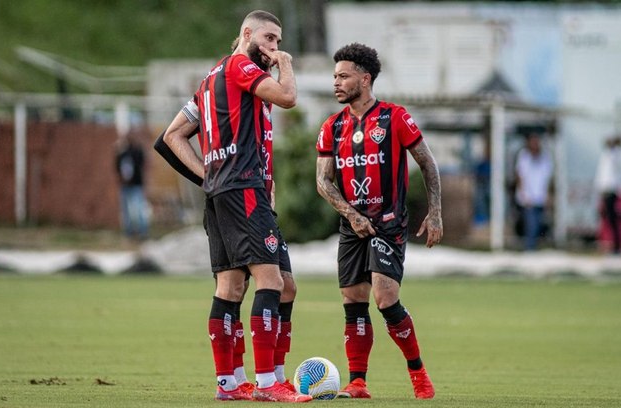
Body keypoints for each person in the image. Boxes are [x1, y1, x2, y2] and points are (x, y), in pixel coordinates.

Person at [162, 10, 310, 403]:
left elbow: (172, 135)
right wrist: (287, 66)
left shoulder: (211, 78)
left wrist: (209, 177)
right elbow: (289, 97)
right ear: (247, 34)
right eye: (270, 38)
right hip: (243, 190)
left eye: (279, 42)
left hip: (226, 192)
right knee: (273, 282)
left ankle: (229, 383)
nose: (276, 48)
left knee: (235, 285)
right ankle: (268, 383)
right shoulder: (241, 66)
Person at [315, 43, 443, 400]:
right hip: (352, 225)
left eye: (343, 76)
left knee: (385, 297)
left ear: (365, 78)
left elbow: (427, 163)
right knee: (353, 300)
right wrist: (352, 215)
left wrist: (435, 212)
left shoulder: (394, 117)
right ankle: (358, 382)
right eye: (334, 76)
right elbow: (322, 181)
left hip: (388, 222)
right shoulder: (333, 126)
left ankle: (418, 374)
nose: (336, 83)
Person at [514, 133, 553, 251]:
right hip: (528, 197)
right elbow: (520, 176)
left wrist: (548, 195)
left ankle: (533, 245)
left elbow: (548, 178)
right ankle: (529, 247)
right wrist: (523, 194)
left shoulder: (545, 157)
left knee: (538, 223)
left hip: (540, 196)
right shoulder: (524, 157)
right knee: (531, 223)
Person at [114, 129, 149, 240]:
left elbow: (143, 164)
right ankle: (128, 233)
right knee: (126, 212)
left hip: (136, 184)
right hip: (125, 186)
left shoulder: (137, 151)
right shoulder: (122, 153)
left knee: (139, 209)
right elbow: (117, 168)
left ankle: (142, 232)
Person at [595, 134, 621, 254]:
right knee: (607, 218)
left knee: (612, 219)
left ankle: (616, 246)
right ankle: (612, 244)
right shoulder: (608, 154)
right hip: (606, 190)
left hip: (610, 190)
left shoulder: (615, 154)